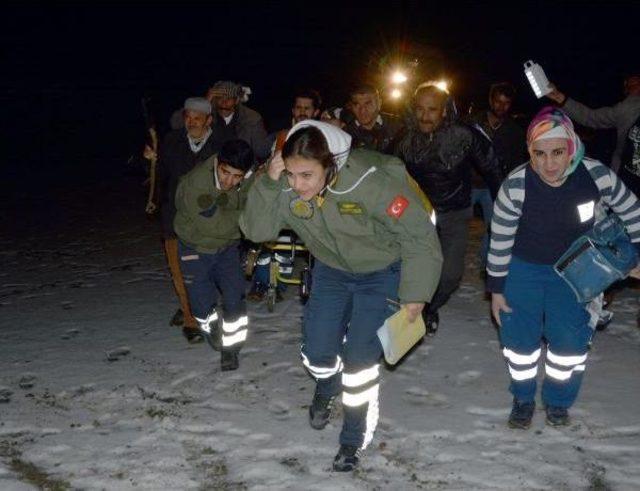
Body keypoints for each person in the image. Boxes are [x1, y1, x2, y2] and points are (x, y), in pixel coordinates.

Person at [239, 120, 442, 471]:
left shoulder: (371, 183)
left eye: (306, 175)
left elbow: (418, 236)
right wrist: (269, 182)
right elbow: (257, 229)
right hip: (332, 271)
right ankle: (327, 383)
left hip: (382, 273)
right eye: (290, 174)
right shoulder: (285, 185)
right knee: (317, 352)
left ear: (330, 164)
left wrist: (415, 294)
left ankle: (351, 440)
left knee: (359, 362)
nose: (296, 184)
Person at [487, 107, 640, 429]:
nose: (549, 163)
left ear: (571, 146)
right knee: (519, 343)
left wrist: (637, 253)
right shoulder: (516, 185)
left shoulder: (596, 175)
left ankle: (558, 401)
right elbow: (500, 240)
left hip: (575, 272)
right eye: (539, 153)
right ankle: (523, 398)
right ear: (529, 151)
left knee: (569, 343)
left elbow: (632, 212)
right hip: (522, 270)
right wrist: (497, 290)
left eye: (558, 152)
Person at [396, 83, 502, 335]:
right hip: (419, 215)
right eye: (420, 109)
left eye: (432, 109)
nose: (425, 116)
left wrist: (505, 203)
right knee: (413, 269)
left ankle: (430, 306)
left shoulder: (464, 134)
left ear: (444, 110)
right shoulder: (405, 138)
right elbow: (386, 173)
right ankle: (411, 309)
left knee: (451, 274)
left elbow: (492, 168)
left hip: (455, 212)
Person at [173, 139, 255, 371]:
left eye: (237, 176)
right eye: (225, 172)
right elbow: (214, 226)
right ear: (217, 163)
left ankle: (231, 350)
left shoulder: (248, 179)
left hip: (227, 249)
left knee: (234, 298)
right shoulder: (196, 184)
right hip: (194, 248)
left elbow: (257, 200)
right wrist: (249, 220)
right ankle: (211, 327)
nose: (229, 181)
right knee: (200, 304)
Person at [146, 97, 218, 342]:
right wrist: (151, 162)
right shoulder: (172, 141)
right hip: (175, 218)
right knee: (180, 272)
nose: (192, 122)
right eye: (188, 117)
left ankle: (203, 310)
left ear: (209, 120)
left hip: (209, 222)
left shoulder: (222, 144)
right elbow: (160, 178)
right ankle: (190, 320)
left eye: (198, 118)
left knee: (204, 273)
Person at [248, 89, 323, 302]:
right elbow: (270, 160)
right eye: (298, 107)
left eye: (307, 108)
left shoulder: (323, 135)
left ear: (315, 111)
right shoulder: (283, 136)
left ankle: (291, 283)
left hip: (311, 195)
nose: (302, 111)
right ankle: (263, 281)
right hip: (284, 192)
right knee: (272, 237)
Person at [468, 82, 527, 267]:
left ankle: (488, 268)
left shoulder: (514, 131)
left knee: (494, 229)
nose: (501, 106)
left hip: (494, 187)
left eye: (506, 103)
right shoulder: (472, 123)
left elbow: (517, 162)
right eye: (497, 101)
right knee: (455, 227)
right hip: (467, 184)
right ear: (490, 100)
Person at [546, 74, 640, 173]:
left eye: (638, 82)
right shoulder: (627, 109)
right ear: (626, 91)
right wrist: (559, 97)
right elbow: (590, 117)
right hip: (625, 179)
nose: (636, 87)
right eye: (631, 86)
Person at [207, 80, 271, 160]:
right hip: (210, 165)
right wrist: (205, 103)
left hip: (242, 166)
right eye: (220, 98)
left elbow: (262, 151)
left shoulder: (252, 118)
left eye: (228, 98)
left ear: (236, 100)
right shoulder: (205, 116)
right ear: (215, 100)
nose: (224, 102)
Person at [343, 84, 402, 154]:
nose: (362, 110)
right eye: (356, 105)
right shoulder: (344, 132)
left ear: (379, 103)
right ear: (351, 106)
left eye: (367, 104)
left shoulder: (397, 126)